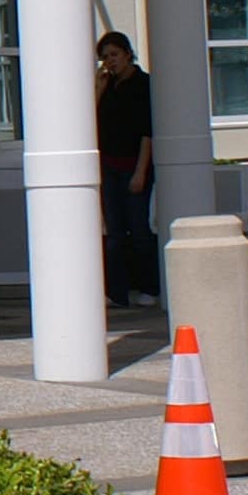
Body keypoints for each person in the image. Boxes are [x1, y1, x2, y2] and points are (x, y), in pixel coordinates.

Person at [95, 31, 159, 309]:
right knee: (114, 233)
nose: (110, 61)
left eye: (114, 55)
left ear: (127, 54)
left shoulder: (143, 84)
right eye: (105, 57)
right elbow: (91, 118)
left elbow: (147, 131)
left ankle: (149, 287)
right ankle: (117, 292)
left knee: (139, 228)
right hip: (109, 165)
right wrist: (99, 87)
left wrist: (140, 172)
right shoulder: (108, 86)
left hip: (134, 164)